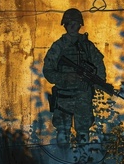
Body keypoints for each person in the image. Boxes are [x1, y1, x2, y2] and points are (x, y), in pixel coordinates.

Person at [43, 8, 106, 145]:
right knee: (62, 134)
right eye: (69, 23)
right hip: (63, 97)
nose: (72, 26)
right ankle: (61, 162)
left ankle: (83, 162)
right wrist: (64, 77)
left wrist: (95, 82)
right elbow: (48, 71)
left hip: (82, 97)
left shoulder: (88, 47)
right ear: (64, 25)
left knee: (83, 133)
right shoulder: (58, 47)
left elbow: (99, 68)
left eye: (75, 23)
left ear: (80, 25)